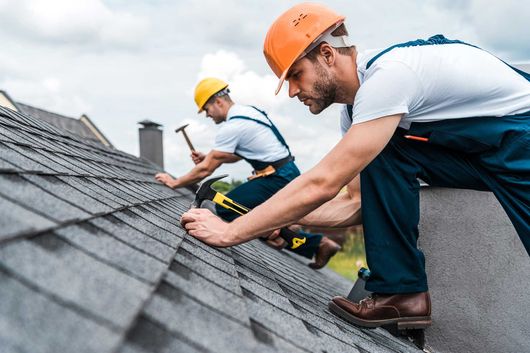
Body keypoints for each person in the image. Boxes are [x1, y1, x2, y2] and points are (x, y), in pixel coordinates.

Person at [180, 3, 530, 330]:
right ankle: (402, 292)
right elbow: (356, 202)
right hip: (483, 153)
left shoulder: (389, 79)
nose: (291, 92)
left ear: (327, 55)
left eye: (296, 75)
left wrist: (232, 231)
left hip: (521, 140)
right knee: (387, 151)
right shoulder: (360, 115)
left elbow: (323, 183)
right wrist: (278, 219)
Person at [155, 77, 343, 269]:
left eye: (206, 109)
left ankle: (285, 235)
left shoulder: (233, 126)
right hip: (284, 173)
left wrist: (174, 182)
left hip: (277, 177)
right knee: (256, 212)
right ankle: (307, 241)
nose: (207, 115)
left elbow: (206, 169)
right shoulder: (249, 113)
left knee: (226, 207)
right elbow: (235, 156)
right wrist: (209, 156)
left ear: (218, 102)